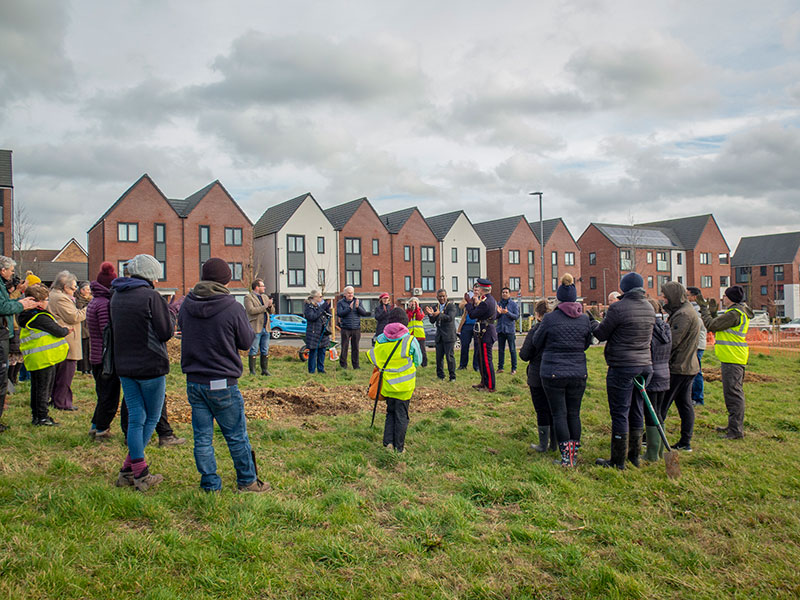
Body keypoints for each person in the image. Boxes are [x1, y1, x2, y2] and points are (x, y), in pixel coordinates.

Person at [179, 258, 269, 493]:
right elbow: (246, 341)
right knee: (236, 435)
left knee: (202, 438)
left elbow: (182, 328)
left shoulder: (187, 304)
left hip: (194, 381)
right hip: (222, 382)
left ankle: (210, 484)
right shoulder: (232, 307)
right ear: (226, 280)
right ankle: (247, 481)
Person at [111, 254, 175, 491]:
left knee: (136, 418)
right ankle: (139, 472)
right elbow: (165, 332)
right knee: (152, 417)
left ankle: (128, 471)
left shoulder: (116, 295)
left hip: (124, 365)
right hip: (150, 365)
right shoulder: (151, 297)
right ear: (150, 275)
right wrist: (171, 315)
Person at [592, 272, 655, 469]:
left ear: (624, 288)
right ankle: (634, 456)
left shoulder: (618, 308)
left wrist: (593, 323)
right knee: (637, 409)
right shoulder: (649, 307)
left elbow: (601, 334)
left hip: (623, 365)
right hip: (645, 365)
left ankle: (618, 460)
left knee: (620, 412)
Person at [531, 274, 593, 467]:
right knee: (574, 413)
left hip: (553, 372)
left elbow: (536, 341)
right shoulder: (584, 319)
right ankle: (573, 456)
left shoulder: (550, 318)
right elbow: (586, 344)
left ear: (558, 298)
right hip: (578, 372)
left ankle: (566, 458)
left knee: (559, 414)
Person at [691, 285, 753, 440]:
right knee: (732, 393)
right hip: (733, 356)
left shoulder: (734, 313)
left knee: (733, 394)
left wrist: (704, 309)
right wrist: (713, 313)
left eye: (725, 296)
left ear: (730, 298)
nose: (723, 298)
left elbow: (711, 325)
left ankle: (735, 431)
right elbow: (719, 325)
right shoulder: (737, 312)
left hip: (732, 357)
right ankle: (733, 426)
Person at [18, 284, 69, 427]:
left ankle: (37, 415)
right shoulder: (40, 317)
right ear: (38, 302)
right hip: (44, 357)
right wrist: (66, 330)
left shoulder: (27, 315)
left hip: (36, 357)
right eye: (46, 299)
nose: (48, 302)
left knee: (37, 387)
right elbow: (58, 331)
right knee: (43, 389)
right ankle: (42, 417)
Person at [660, 281, 702, 452]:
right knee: (685, 404)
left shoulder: (683, 315)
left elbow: (672, 341)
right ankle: (685, 441)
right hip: (688, 366)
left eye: (665, 296)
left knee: (662, 404)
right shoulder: (685, 311)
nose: (663, 299)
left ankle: (652, 438)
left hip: (678, 366)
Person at [368, 322, 422, 453]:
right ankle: (399, 447)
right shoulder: (410, 341)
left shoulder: (381, 342)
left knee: (390, 413)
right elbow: (418, 360)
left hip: (388, 386)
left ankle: (388, 444)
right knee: (402, 416)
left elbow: (374, 358)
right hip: (405, 387)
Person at [86, 262, 121, 439]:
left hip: (95, 355)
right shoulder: (105, 304)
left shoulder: (94, 301)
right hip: (105, 357)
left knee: (102, 394)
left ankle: (95, 426)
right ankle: (101, 429)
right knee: (110, 396)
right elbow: (107, 331)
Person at [519, 300, 556, 453]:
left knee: (541, 410)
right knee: (555, 409)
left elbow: (524, 354)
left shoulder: (535, 330)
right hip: (555, 373)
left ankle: (543, 444)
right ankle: (554, 443)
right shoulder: (556, 329)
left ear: (538, 315)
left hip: (537, 374)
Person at [48, 271, 87, 412]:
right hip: (68, 340)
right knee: (65, 374)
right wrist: (89, 308)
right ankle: (62, 402)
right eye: (73, 287)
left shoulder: (54, 295)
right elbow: (74, 317)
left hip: (62, 340)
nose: (75, 290)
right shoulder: (61, 298)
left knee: (60, 374)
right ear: (65, 286)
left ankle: (58, 400)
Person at [643, 298, 671, 463]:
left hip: (652, 374)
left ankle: (652, 453)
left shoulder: (650, 329)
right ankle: (660, 451)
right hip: (664, 373)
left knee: (651, 413)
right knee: (658, 412)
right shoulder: (665, 327)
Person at [465, 278, 498, 392]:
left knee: (486, 361)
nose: (477, 290)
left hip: (486, 332)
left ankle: (490, 386)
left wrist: (469, 304)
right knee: (481, 359)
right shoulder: (488, 300)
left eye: (478, 288)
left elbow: (473, 314)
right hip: (485, 331)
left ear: (482, 290)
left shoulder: (486, 303)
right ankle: (484, 382)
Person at [425, 289, 458, 381]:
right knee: (439, 358)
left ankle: (452, 377)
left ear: (446, 296)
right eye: (440, 296)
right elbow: (432, 321)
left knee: (449, 357)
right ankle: (440, 376)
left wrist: (438, 314)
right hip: (439, 336)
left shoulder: (451, 306)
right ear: (437, 297)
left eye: (443, 296)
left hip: (449, 336)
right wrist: (431, 315)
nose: (442, 298)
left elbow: (450, 317)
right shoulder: (436, 307)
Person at [244, 278, 274, 376]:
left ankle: (264, 370)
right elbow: (251, 311)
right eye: (262, 286)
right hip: (256, 327)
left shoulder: (265, 297)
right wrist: (265, 306)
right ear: (257, 287)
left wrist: (270, 306)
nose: (264, 288)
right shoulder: (248, 297)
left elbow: (272, 311)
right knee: (254, 349)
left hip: (266, 327)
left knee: (265, 349)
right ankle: (252, 371)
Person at [337, 285, 368, 369]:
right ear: (345, 294)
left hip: (356, 328)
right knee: (344, 347)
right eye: (349, 293)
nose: (350, 294)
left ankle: (356, 365)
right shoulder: (340, 302)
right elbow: (339, 313)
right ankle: (343, 365)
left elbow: (364, 313)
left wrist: (357, 307)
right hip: (345, 328)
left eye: (352, 293)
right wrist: (349, 308)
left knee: (356, 347)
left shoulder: (358, 302)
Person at [687, 287, 707, 406]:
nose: (685, 298)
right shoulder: (695, 309)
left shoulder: (697, 310)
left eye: (687, 295)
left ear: (694, 297)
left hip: (697, 344)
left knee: (696, 371)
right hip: (695, 343)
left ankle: (698, 398)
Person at [304, 290, 331, 374]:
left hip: (323, 332)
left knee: (322, 351)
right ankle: (311, 370)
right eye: (320, 297)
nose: (321, 298)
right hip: (313, 332)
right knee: (313, 352)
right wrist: (321, 308)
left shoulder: (320, 307)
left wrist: (327, 309)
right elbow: (312, 317)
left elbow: (328, 316)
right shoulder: (309, 307)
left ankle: (321, 369)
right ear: (314, 297)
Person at [457, 283, 481, 372]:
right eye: (474, 290)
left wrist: (476, 301)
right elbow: (460, 305)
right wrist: (468, 301)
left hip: (477, 324)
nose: (476, 292)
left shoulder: (482, 298)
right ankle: (463, 365)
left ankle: (476, 366)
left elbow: (481, 305)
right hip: (467, 325)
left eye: (477, 290)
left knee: (477, 346)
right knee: (464, 345)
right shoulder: (468, 297)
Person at [496, 287, 520, 374]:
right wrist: (498, 313)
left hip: (510, 330)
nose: (504, 294)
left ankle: (514, 368)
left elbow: (516, 316)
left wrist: (507, 313)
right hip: (500, 330)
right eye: (503, 292)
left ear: (509, 294)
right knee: (500, 350)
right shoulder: (498, 304)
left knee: (512, 350)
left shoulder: (513, 304)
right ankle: (500, 368)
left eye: (506, 292)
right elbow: (495, 317)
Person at [75, 281, 92, 375]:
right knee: (83, 349)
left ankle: (90, 367)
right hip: (82, 326)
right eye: (87, 289)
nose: (89, 291)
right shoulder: (77, 300)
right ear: (82, 290)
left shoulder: (91, 299)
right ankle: (84, 368)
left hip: (89, 326)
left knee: (90, 348)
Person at [405, 297, 427, 367]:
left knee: (422, 350)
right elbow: (407, 319)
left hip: (419, 333)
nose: (413, 304)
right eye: (412, 302)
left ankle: (424, 364)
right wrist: (410, 310)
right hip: (410, 334)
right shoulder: (407, 311)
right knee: (410, 350)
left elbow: (419, 317)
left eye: (415, 302)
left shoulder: (420, 310)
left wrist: (416, 309)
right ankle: (411, 363)